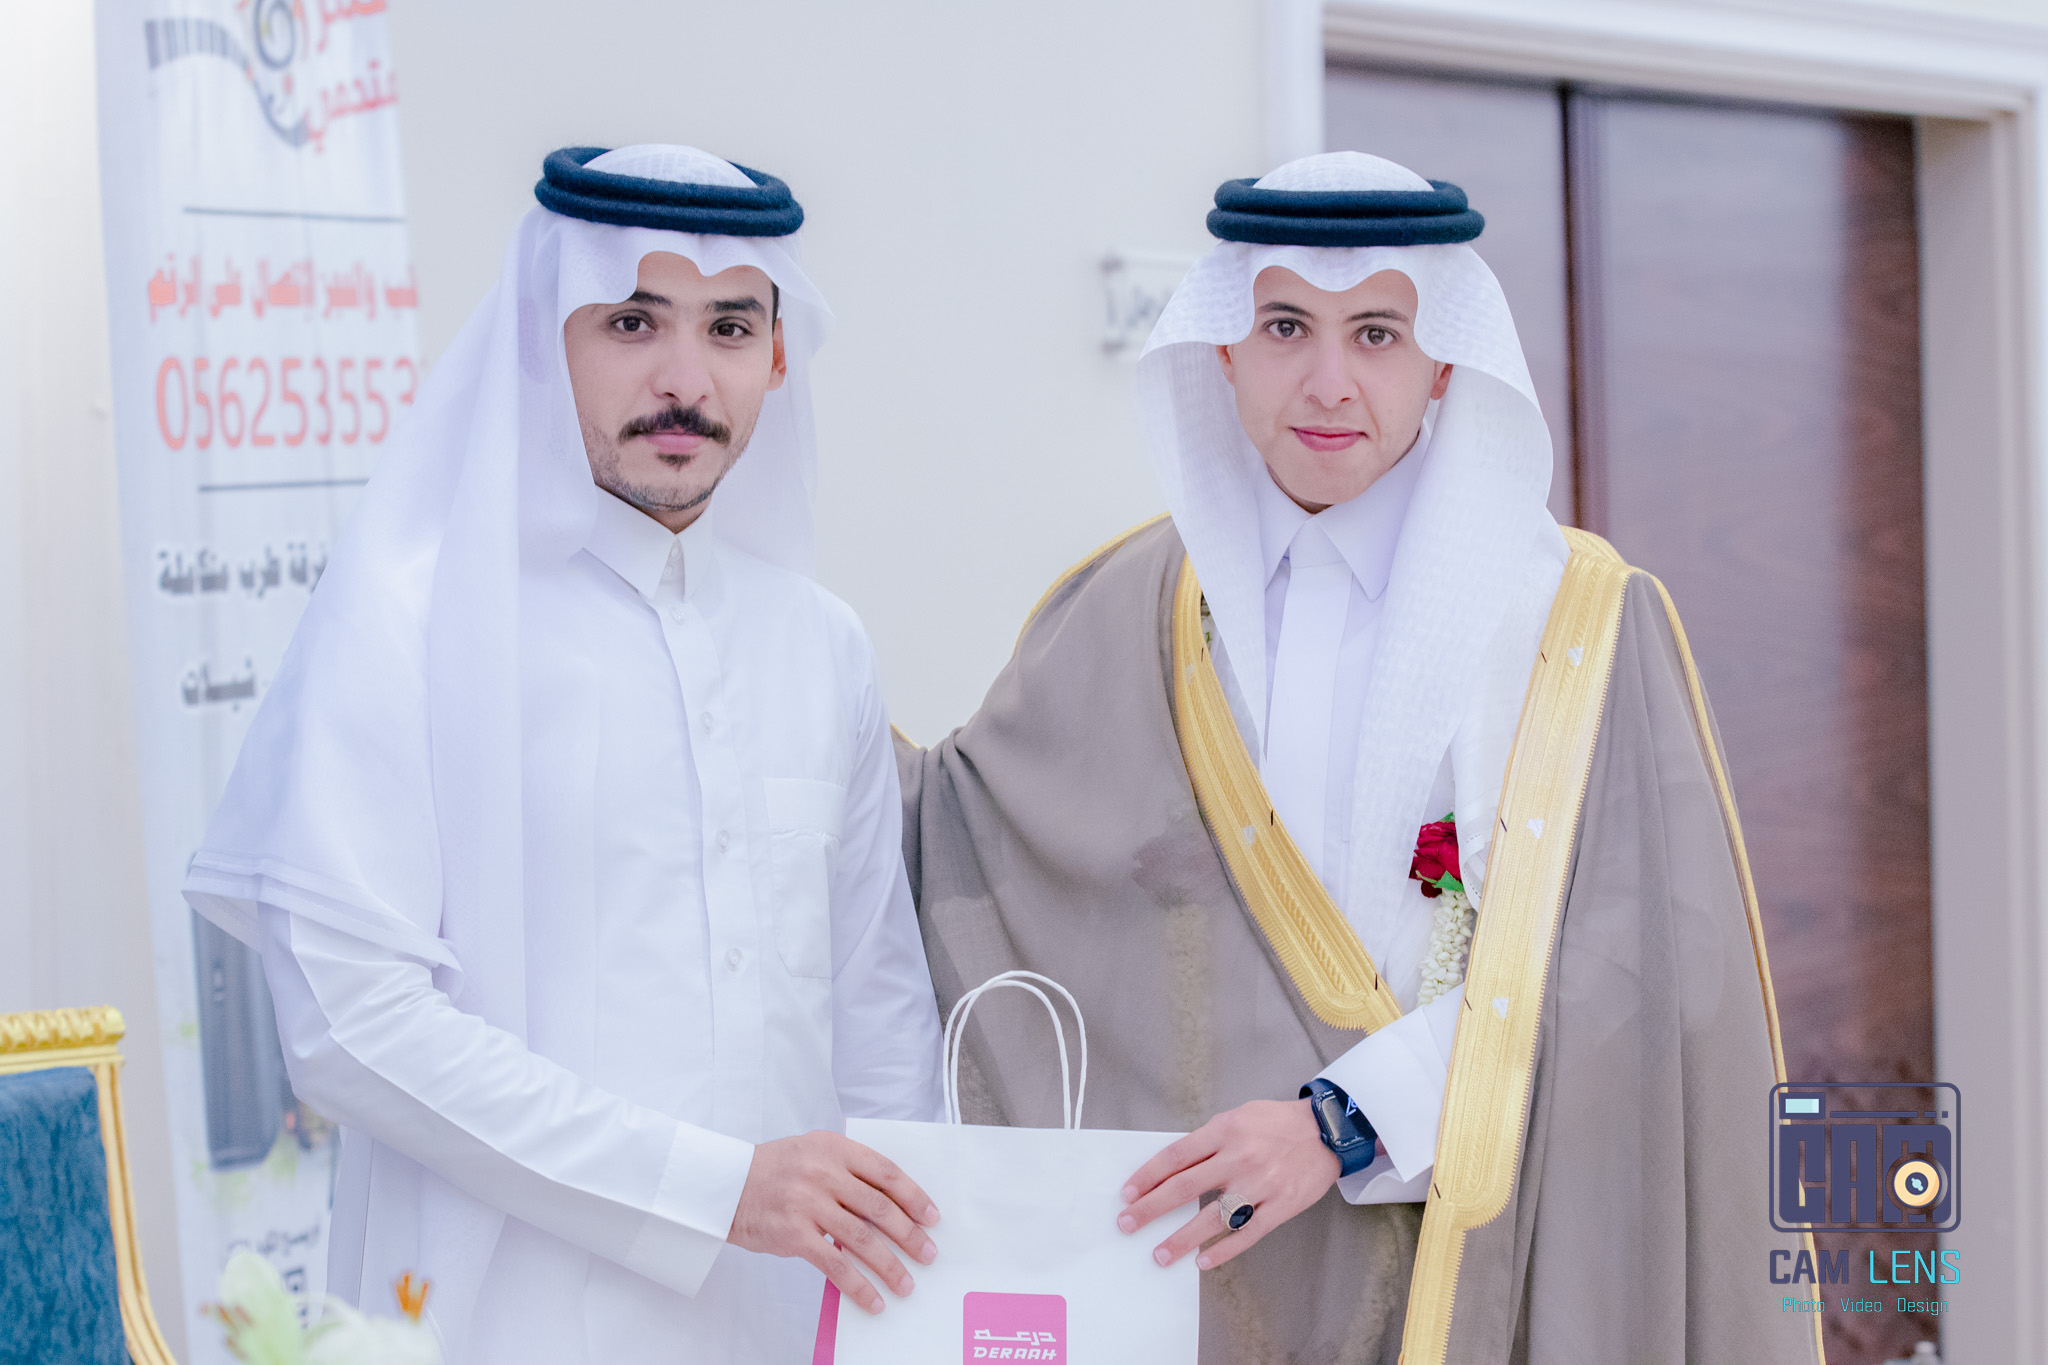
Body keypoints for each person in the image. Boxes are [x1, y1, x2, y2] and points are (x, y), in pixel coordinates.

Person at [896, 152, 1821, 1363]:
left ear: (1441, 360)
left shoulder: (1570, 621)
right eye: (1285, 326)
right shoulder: (1128, 607)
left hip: (1474, 1262)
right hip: (1192, 1284)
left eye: (1375, 333)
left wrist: (1341, 1123)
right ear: (1224, 350)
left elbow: (1637, 972)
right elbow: (959, 850)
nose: (1327, 382)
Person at [184, 145, 945, 1365]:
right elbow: (351, 1021)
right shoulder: (410, 618)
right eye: (631, 322)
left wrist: (918, 1307)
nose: (683, 379)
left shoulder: (821, 645)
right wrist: (713, 1191)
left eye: (729, 326)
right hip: (501, 1323)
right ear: (548, 334)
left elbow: (881, 1025)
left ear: (777, 356)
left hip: (790, 1327)